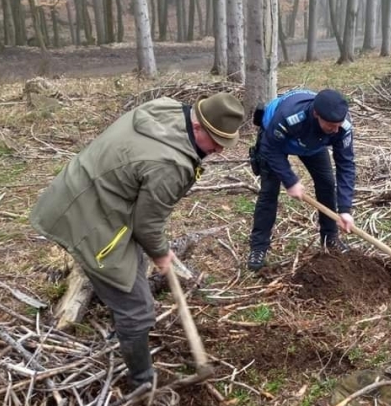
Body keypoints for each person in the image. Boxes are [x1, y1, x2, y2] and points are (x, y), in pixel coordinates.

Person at [30, 93, 244, 388]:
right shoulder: (171, 164)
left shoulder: (164, 108)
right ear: (197, 128)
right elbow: (147, 224)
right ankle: (142, 381)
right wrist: (161, 253)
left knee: (134, 269)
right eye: (217, 142)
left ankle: (124, 333)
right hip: (87, 218)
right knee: (138, 309)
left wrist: (154, 249)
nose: (220, 150)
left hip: (84, 192)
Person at [247, 89, 356, 271]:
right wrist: (290, 180)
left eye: (338, 124)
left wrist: (344, 209)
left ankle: (330, 238)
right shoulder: (289, 117)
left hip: (313, 145)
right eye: (331, 125)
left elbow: (346, 165)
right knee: (269, 191)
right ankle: (258, 247)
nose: (336, 130)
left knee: (327, 184)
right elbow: (270, 149)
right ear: (316, 114)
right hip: (275, 142)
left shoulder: (342, 127)